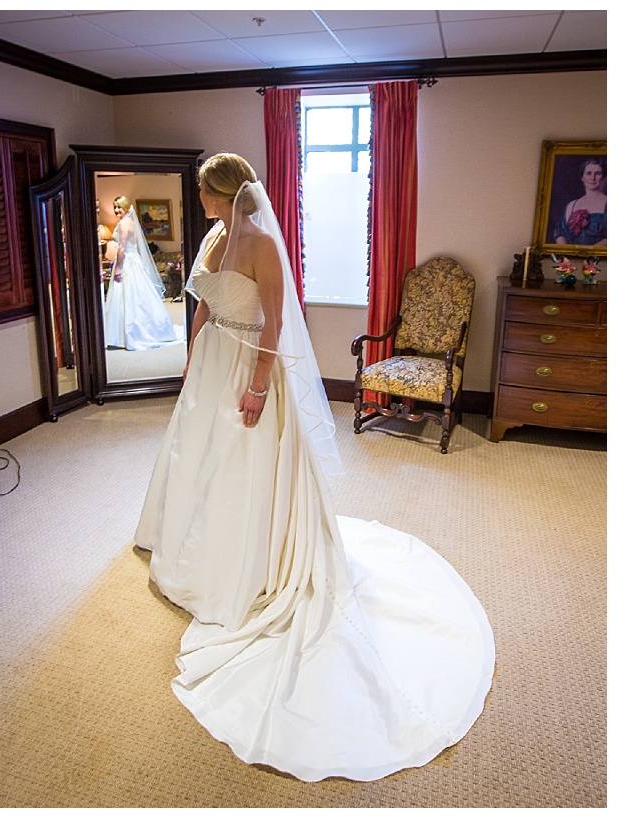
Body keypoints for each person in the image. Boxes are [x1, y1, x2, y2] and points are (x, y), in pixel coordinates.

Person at [134, 153, 493, 782]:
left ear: (225, 192)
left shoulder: (265, 245)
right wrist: (192, 351)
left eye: (203, 191)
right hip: (214, 359)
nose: (199, 200)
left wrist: (257, 386)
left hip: (248, 367)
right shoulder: (217, 235)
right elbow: (202, 301)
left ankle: (252, 560)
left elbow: (274, 323)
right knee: (198, 457)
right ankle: (190, 538)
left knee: (243, 464)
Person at [102, 196, 184, 350]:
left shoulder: (123, 224)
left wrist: (118, 267)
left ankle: (126, 335)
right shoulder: (132, 222)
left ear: (126, 207)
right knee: (136, 296)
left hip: (127, 262)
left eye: (119, 207)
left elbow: (122, 248)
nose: (116, 210)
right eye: (115, 207)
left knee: (128, 296)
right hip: (134, 261)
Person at [553, 156, 606, 246]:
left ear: (604, 177)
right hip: (570, 258)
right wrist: (567, 255)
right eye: (588, 173)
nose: (593, 178)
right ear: (582, 177)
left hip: (599, 258)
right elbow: (560, 234)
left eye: (598, 173)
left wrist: (588, 254)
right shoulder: (571, 205)